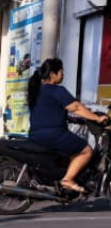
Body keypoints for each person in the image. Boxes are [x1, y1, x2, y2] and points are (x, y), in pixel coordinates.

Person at [27, 57, 107, 194]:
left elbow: (49, 110)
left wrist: (70, 119)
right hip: (54, 134)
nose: (63, 75)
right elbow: (76, 107)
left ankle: (64, 179)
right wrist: (97, 118)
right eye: (61, 72)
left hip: (35, 134)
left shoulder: (37, 90)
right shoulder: (56, 90)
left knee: (71, 150)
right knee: (86, 150)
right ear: (53, 74)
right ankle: (68, 179)